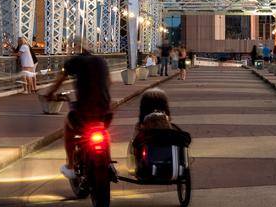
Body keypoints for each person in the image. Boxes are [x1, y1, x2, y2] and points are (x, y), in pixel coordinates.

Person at [44, 46, 113, 182]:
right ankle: (108, 161)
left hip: (84, 112)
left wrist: (50, 93)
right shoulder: (101, 61)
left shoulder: (74, 61)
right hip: (105, 110)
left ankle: (70, 165)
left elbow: (60, 79)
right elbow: (109, 81)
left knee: (68, 126)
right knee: (104, 132)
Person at [129, 88, 191, 177]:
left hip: (149, 126)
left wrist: (141, 124)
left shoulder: (145, 97)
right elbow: (168, 115)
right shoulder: (163, 97)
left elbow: (142, 116)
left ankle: (139, 164)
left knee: (137, 138)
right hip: (164, 124)